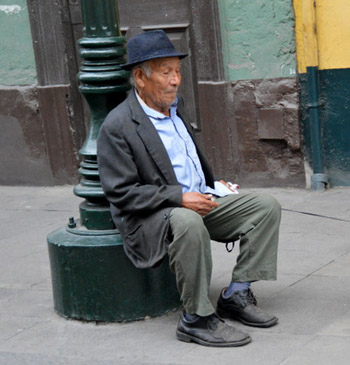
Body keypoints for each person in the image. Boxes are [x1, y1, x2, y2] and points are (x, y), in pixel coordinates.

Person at [97, 30, 281, 347]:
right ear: (140, 77)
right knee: (187, 220)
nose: (175, 80)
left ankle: (236, 294)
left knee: (265, 206)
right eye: (166, 72)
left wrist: (212, 186)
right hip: (154, 216)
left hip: (197, 201)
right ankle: (196, 318)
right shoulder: (118, 126)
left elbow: (184, 165)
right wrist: (178, 198)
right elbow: (121, 194)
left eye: (178, 71)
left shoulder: (174, 109)